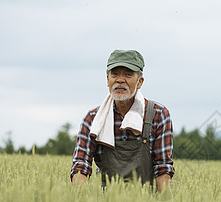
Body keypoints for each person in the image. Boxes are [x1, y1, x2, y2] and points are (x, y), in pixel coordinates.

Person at [71, 50, 174, 194]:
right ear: (107, 79)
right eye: (115, 74)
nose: (120, 80)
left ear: (140, 82)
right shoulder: (93, 119)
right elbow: (81, 165)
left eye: (128, 74)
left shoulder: (158, 115)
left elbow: (163, 167)